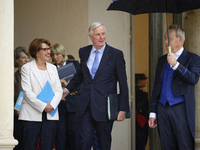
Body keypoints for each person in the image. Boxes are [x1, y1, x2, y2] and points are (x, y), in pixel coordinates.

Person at [62, 22, 130, 150]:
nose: (101, 37)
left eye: (103, 34)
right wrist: (67, 89)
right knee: (84, 143)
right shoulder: (84, 52)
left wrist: (123, 109)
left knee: (103, 144)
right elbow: (80, 75)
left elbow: (123, 83)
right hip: (85, 105)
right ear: (90, 36)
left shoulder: (116, 54)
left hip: (104, 107)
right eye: (98, 34)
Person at [148, 24, 200, 150]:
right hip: (162, 109)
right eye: (165, 38)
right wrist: (153, 113)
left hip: (181, 110)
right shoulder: (161, 60)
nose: (166, 42)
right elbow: (156, 87)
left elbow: (193, 79)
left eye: (169, 38)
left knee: (184, 145)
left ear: (180, 39)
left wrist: (176, 65)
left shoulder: (193, 58)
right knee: (166, 146)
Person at [18, 38, 63, 150]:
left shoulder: (53, 68)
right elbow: (27, 92)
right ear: (36, 52)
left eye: (49, 49)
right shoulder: (26, 68)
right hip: (31, 115)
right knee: (29, 146)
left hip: (51, 114)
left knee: (47, 146)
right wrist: (43, 106)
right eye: (45, 49)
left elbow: (58, 90)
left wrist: (52, 106)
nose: (49, 52)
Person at [14, 46, 30, 150]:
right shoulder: (13, 77)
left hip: (30, 113)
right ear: (17, 60)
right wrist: (16, 109)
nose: (26, 60)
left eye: (28, 57)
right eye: (23, 57)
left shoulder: (31, 75)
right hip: (17, 114)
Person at [135, 74, 149, 150]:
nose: (145, 82)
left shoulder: (134, 91)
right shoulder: (141, 94)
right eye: (144, 80)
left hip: (139, 120)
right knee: (141, 143)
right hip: (141, 121)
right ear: (140, 81)